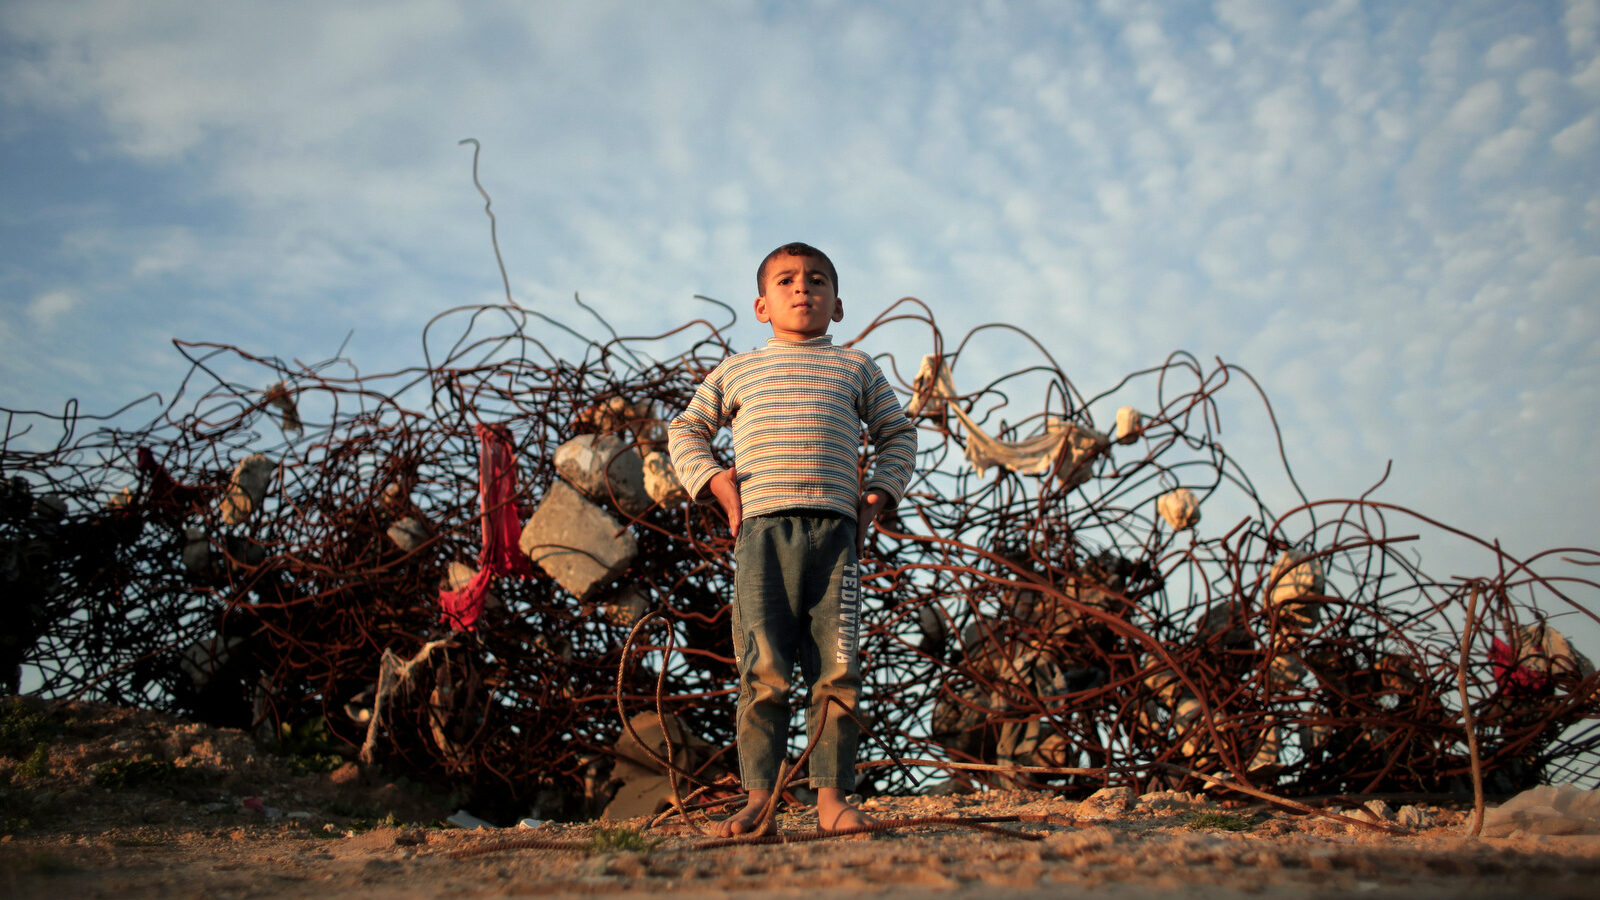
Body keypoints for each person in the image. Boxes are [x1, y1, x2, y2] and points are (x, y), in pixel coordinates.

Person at [668, 242, 918, 836]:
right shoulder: (737, 370)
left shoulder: (857, 368)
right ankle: (760, 798)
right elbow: (686, 429)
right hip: (762, 534)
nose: (802, 288)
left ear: (837, 306)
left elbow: (897, 433)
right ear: (761, 305)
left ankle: (830, 799)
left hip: (835, 537)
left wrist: (880, 492)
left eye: (817, 281)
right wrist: (716, 484)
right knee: (764, 669)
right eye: (786, 281)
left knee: (838, 668)